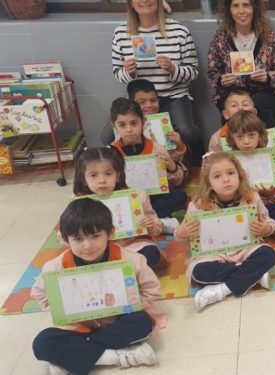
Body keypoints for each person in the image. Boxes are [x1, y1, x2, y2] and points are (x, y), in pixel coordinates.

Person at [31, 199, 163, 375]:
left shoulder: (130, 260)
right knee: (42, 343)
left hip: (118, 321)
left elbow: (152, 289)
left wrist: (131, 302)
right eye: (78, 239)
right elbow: (39, 293)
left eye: (95, 236)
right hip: (78, 326)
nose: (87, 245)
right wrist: (62, 309)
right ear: (65, 239)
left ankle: (75, 356)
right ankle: (115, 356)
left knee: (142, 323)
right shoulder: (55, 267)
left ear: (110, 233)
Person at [174, 151, 275, 311]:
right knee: (198, 272)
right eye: (217, 176)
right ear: (208, 182)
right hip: (213, 255)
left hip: (246, 250)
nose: (226, 179)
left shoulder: (252, 198)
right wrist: (182, 232)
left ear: (240, 175)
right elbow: (182, 237)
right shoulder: (197, 205)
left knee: (269, 254)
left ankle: (223, 290)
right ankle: (253, 275)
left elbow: (270, 222)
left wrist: (265, 228)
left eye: (230, 173)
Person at [111, 0, 201, 146]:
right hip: (138, 100)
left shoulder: (179, 31)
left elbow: (193, 72)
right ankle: (138, 162)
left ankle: (183, 160)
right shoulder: (121, 33)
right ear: (131, 4)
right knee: (108, 134)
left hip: (174, 96)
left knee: (187, 132)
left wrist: (173, 69)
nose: (145, 1)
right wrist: (129, 72)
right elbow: (117, 73)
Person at [73, 147, 165, 267]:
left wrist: (151, 225)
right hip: (95, 250)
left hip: (131, 245)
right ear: (84, 179)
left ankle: (118, 268)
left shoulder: (136, 196)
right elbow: (64, 233)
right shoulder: (78, 202)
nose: (102, 180)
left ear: (117, 176)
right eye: (94, 175)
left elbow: (154, 221)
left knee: (151, 253)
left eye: (108, 174)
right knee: (75, 259)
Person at [207, 0, 275, 128]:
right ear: (229, 10)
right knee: (233, 107)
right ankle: (234, 147)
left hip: (266, 93)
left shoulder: (268, 36)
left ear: (254, 8)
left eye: (246, 5)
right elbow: (213, 72)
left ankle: (269, 146)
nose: (241, 11)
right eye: (236, 6)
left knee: (257, 103)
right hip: (231, 93)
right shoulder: (221, 38)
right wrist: (221, 81)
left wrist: (267, 77)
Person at [108, 98, 188, 222]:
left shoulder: (157, 148)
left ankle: (139, 218)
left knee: (179, 196)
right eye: (122, 125)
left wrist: (172, 167)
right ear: (114, 126)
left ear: (143, 123)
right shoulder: (110, 152)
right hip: (127, 199)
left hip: (153, 197)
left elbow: (177, 182)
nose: (129, 129)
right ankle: (149, 217)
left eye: (134, 123)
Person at [223, 110, 275, 237]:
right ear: (232, 137)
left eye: (251, 135)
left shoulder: (269, 157)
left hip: (267, 205)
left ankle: (265, 228)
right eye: (240, 136)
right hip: (240, 207)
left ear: (260, 136)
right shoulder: (229, 160)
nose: (246, 141)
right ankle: (270, 229)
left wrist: (270, 192)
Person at [99, 79, 183, 147]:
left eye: (153, 100)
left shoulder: (165, 120)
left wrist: (180, 144)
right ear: (131, 103)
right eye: (142, 102)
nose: (149, 105)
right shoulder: (123, 119)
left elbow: (178, 150)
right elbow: (105, 138)